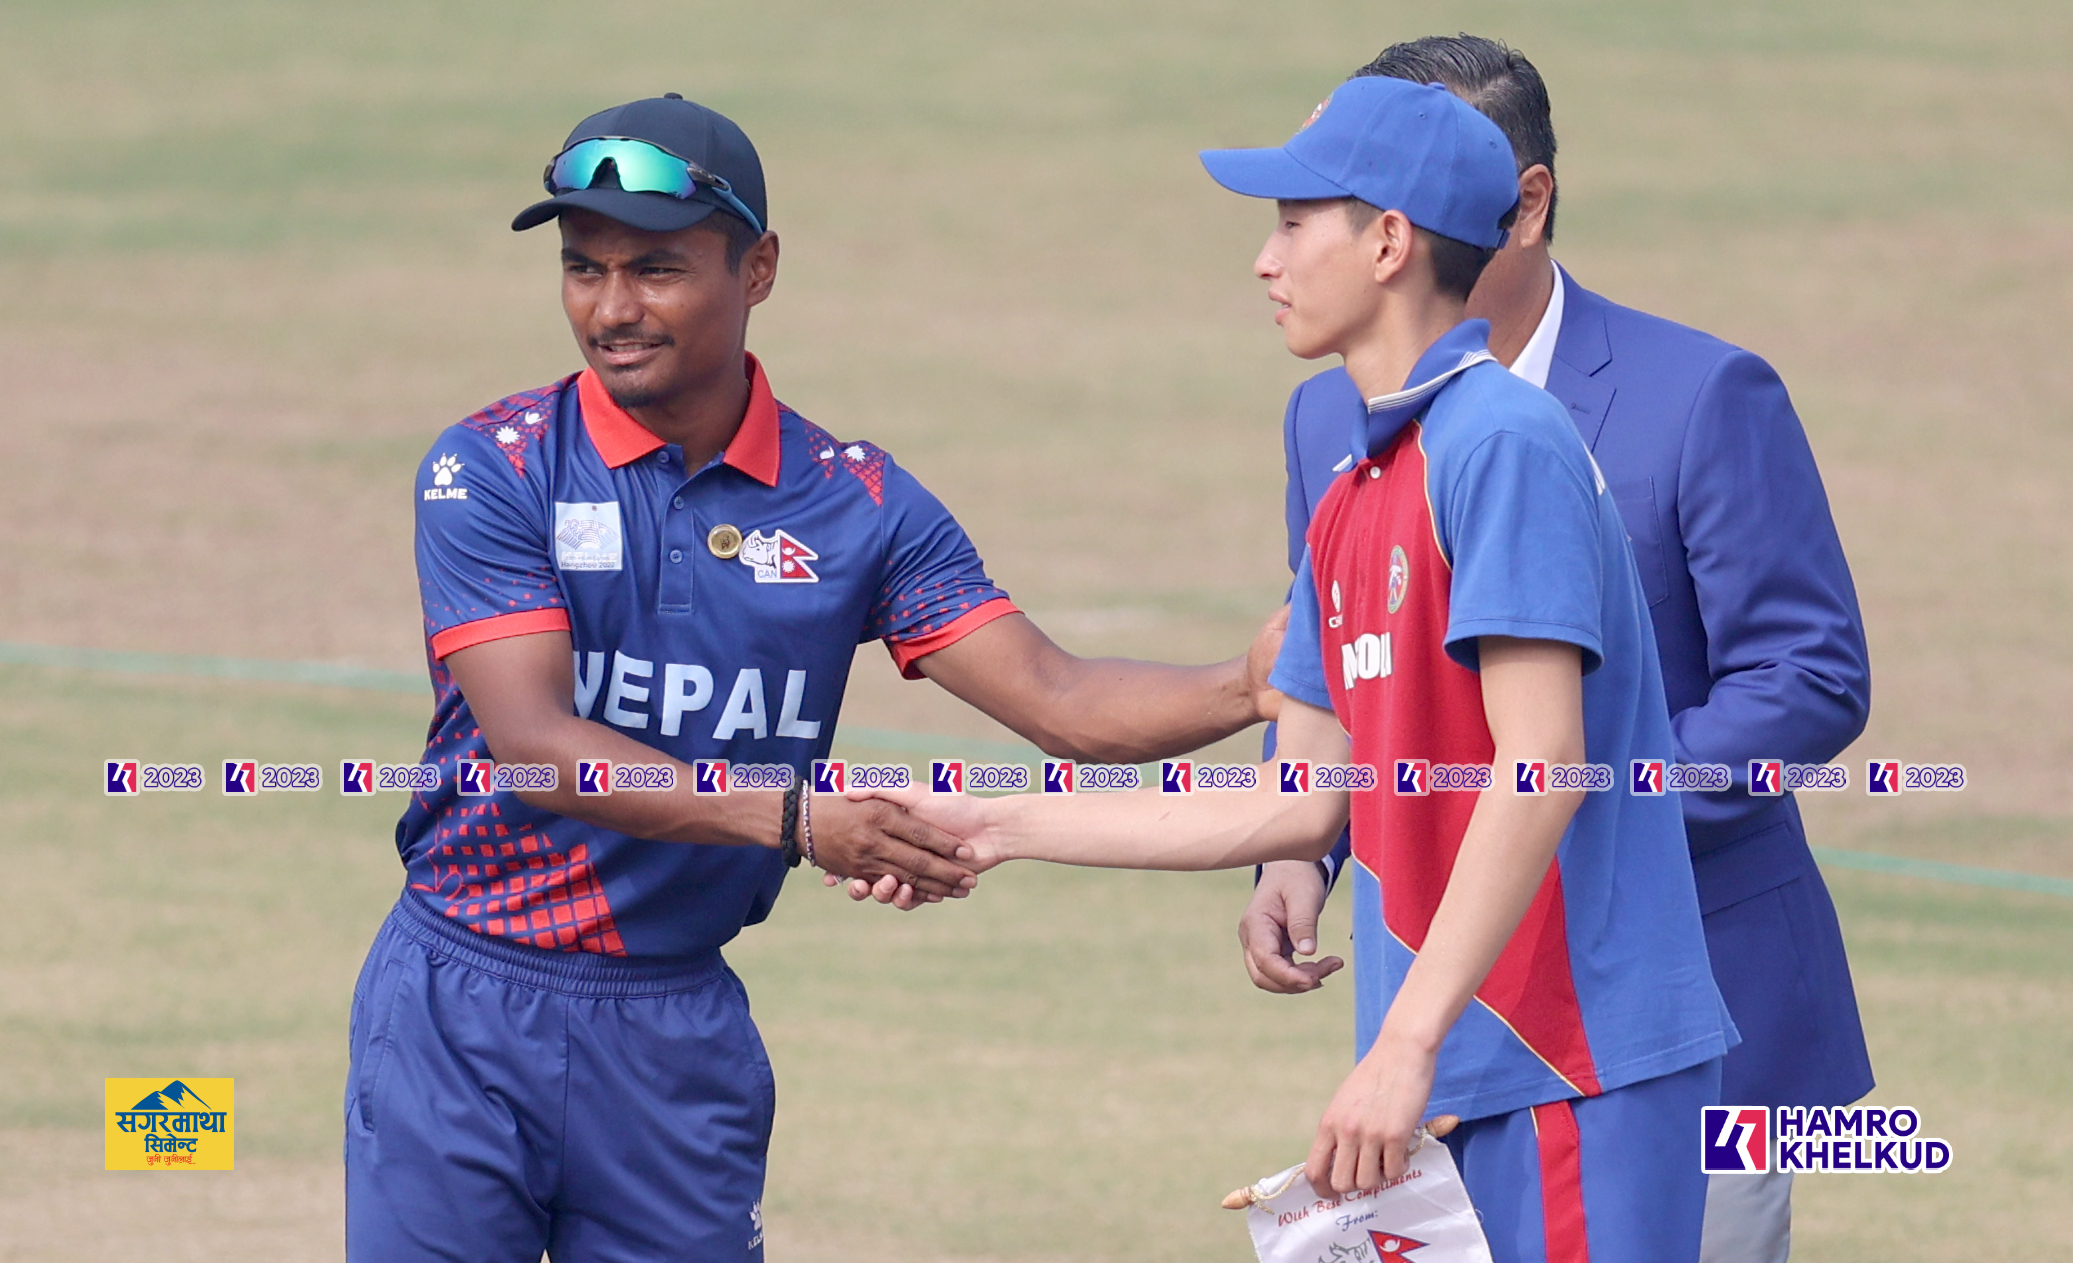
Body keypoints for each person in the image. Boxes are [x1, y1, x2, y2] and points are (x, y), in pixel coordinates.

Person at [347, 93, 1283, 1262]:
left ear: (759, 268)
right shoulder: (494, 468)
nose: (612, 308)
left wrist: (1251, 682)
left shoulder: (857, 503)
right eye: (584, 268)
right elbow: (536, 748)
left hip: (673, 1033)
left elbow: (1066, 704)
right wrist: (799, 820)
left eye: (656, 269)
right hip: (460, 1010)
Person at [869, 74, 1733, 1263]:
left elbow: (1542, 766)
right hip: (1453, 1063)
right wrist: (993, 824)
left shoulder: (1502, 444)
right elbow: (1302, 801)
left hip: (1571, 1069)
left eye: (1291, 223)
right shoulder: (1352, 491)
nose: (1264, 261)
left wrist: (1405, 1044)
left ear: (1389, 243)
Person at [1240, 38, 1874, 1263]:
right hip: (1455, 1027)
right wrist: (1297, 853)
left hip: (1689, 1012)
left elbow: (1807, 677)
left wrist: (1592, 818)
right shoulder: (1328, 410)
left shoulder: (1702, 394)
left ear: (1523, 202)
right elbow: (1354, 662)